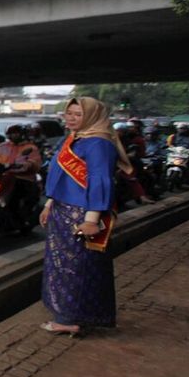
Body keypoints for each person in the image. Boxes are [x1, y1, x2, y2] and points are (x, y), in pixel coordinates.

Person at [39, 97, 132, 335]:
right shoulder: (73, 138)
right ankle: (69, 315)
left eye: (77, 114)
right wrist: (49, 203)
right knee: (61, 266)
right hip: (62, 210)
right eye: (68, 113)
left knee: (76, 268)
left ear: (91, 116)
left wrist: (91, 219)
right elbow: (60, 175)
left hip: (80, 214)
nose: (70, 118)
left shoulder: (99, 144)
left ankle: (71, 318)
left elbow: (100, 180)